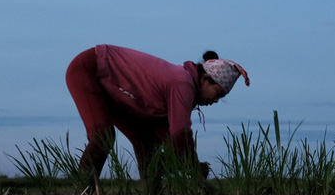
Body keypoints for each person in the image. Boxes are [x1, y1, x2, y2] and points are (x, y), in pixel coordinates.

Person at [65, 45, 249, 181]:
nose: (215, 101)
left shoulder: (180, 88)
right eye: (217, 94)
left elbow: (172, 140)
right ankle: (83, 194)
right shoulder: (182, 83)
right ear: (205, 79)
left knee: (148, 144)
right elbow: (180, 133)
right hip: (89, 68)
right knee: (103, 135)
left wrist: (192, 165)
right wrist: (194, 168)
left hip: (116, 89)